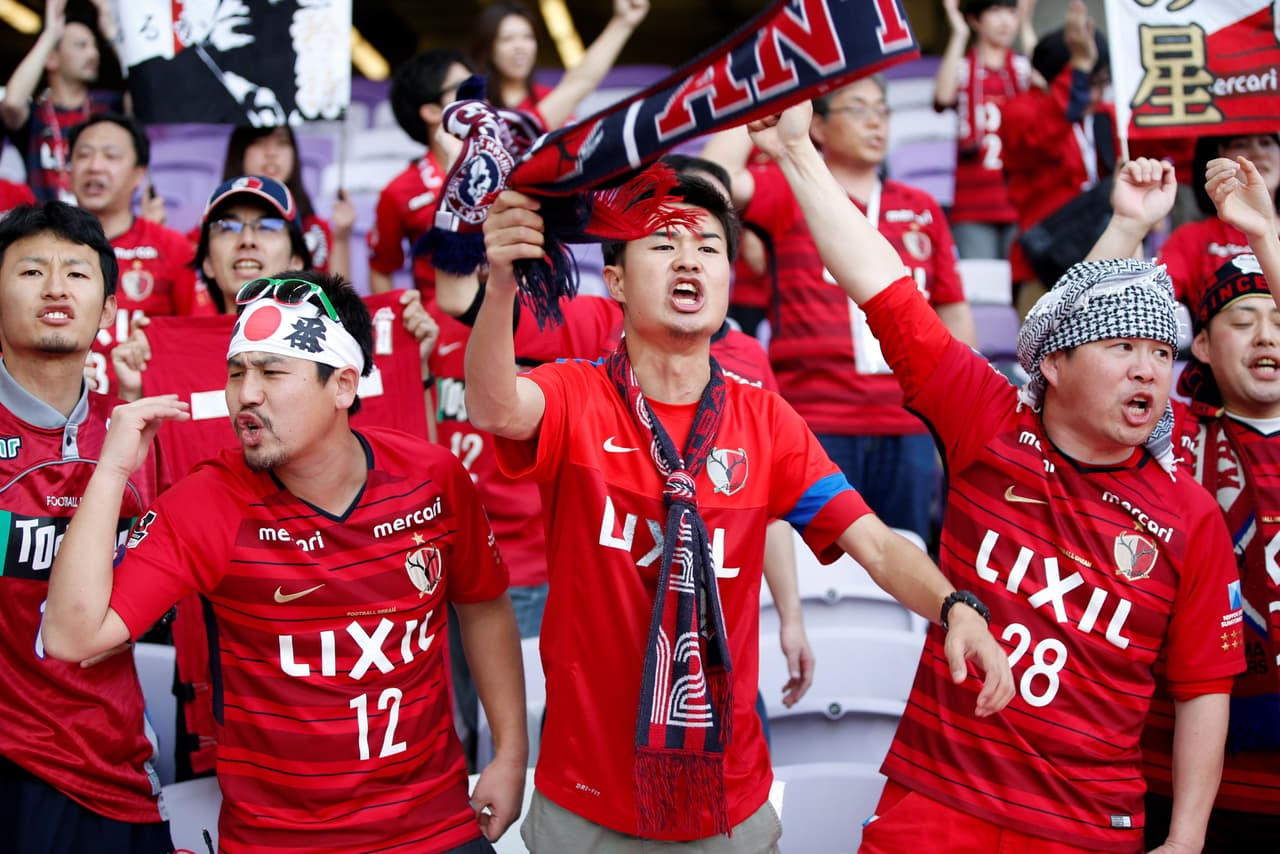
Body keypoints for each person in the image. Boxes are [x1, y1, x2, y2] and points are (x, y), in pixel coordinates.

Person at [747, 102, 1243, 853]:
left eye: (1160, 352)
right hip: (937, 803)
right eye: (1120, 347)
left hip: (1087, 827)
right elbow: (883, 285)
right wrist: (796, 155)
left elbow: (1205, 685)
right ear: (1051, 362)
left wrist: (1186, 839)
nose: (1148, 367)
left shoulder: (1191, 513)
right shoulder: (990, 421)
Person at [468, 170, 1013, 849]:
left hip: (726, 802)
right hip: (586, 801)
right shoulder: (576, 397)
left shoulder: (766, 421)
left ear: (729, 280)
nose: (689, 259)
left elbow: (875, 543)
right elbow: (495, 407)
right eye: (662, 244)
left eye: (708, 246)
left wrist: (957, 606)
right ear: (614, 283)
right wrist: (499, 288)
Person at [42, 269, 527, 852]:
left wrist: (510, 750)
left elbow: (483, 605)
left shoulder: (432, 478)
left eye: (272, 372)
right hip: (279, 841)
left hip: (436, 826)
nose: (246, 394)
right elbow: (71, 636)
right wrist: (112, 467)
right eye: (236, 372)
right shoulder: (209, 500)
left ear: (344, 385)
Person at [1093, 151, 1280, 850]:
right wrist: (1124, 226)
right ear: (1198, 343)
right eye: (1242, 320)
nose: (1267, 336)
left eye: (1277, 317)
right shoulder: (1168, 436)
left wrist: (1265, 237)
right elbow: (1077, 348)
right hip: (1181, 779)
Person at [703, 74, 977, 547]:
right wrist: (755, 100)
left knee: (907, 566)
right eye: (857, 108)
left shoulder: (921, 207)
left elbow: (952, 309)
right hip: (815, 420)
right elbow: (708, 181)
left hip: (906, 420)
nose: (875, 121)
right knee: (819, 574)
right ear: (820, 128)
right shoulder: (788, 192)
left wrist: (959, 412)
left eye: (882, 110)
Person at [0, 201, 169, 852]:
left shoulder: (135, 430)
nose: (54, 289)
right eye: (31, 271)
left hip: (116, 764)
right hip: (15, 769)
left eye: (76, 273)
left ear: (106, 305)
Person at [67, 113, 206, 397]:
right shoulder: (42, 244)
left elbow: (193, 338)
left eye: (110, 156)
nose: (94, 166)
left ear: (139, 174)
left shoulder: (170, 247)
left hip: (142, 417)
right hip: (58, 418)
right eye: (83, 155)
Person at [999, 0, 1115, 315]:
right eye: (1089, 83)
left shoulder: (1105, 118)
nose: (1096, 95)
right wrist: (1079, 66)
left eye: (1102, 83)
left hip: (1105, 261)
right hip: (1044, 267)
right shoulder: (1020, 112)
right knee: (1045, 362)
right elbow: (1046, 129)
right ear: (1058, 77)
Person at [369, 48, 475, 297]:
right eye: (464, 87)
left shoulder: (510, 166)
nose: (480, 95)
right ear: (432, 112)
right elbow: (381, 269)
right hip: (442, 329)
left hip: (510, 321)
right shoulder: (398, 191)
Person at [933, 0, 1034, 260]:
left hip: (1022, 201)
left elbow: (1048, 85)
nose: (1005, 21)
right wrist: (958, 33)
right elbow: (942, 97)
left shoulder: (1022, 69)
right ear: (976, 19)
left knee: (1028, 296)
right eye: (996, 12)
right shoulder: (964, 68)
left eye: (1012, 12)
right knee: (981, 291)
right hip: (973, 206)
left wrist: (1027, 25)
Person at [1, 0, 123, 203]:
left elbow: (148, 94)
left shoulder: (109, 107)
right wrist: (50, 35)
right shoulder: (36, 115)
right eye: (81, 45)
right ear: (52, 59)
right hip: (44, 229)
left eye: (94, 45)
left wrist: (111, 31)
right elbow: (12, 103)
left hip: (99, 231)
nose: (93, 54)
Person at [468, 0, 650, 130]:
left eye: (528, 37)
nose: (521, 47)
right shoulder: (472, 105)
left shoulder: (548, 97)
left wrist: (623, 22)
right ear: (488, 47)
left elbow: (581, 82)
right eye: (507, 39)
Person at [1157, 133, 1280, 310]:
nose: (1258, 153)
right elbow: (1151, 304)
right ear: (1216, 155)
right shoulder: (1191, 238)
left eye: (1266, 142)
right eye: (1240, 144)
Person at [217, 125, 356, 279]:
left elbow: (338, 299)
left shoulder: (315, 230)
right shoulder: (213, 228)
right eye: (259, 142)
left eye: (282, 142)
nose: (271, 153)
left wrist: (341, 239)